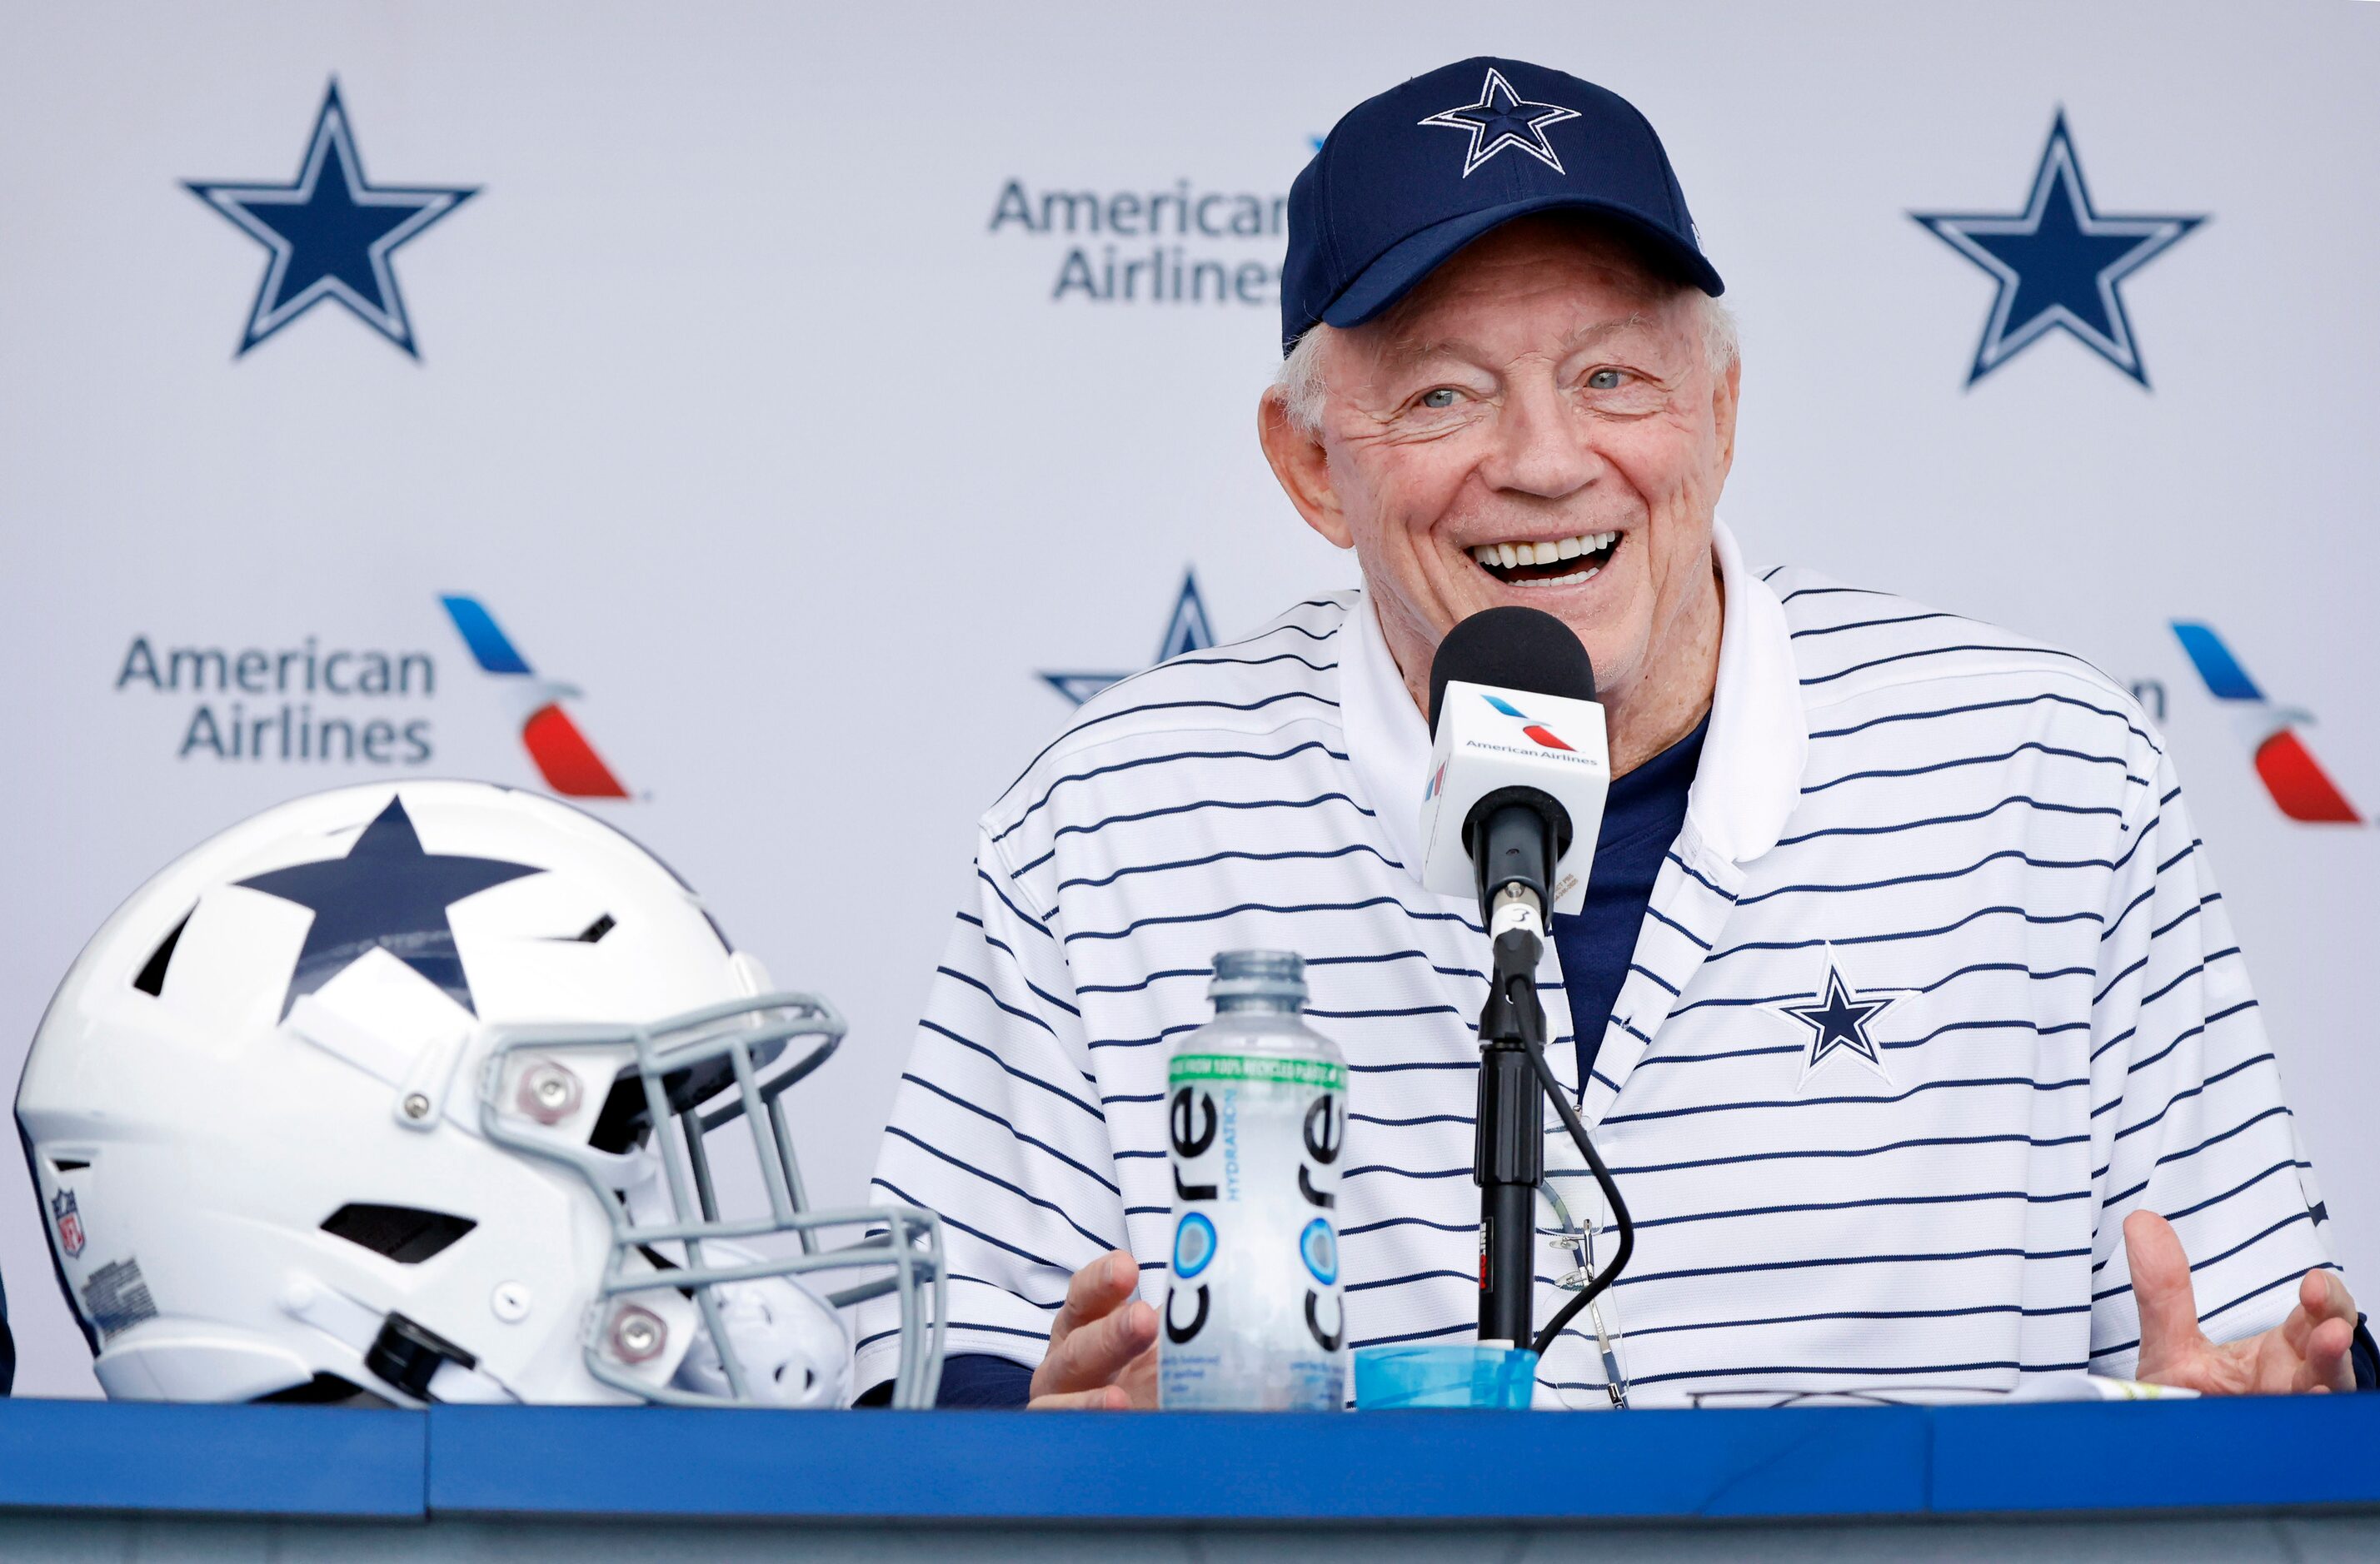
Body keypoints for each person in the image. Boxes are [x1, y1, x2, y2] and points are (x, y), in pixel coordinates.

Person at [855, 57, 2367, 1408]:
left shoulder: (2047, 778)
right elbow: (950, 1388)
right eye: (1443, 394)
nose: (1542, 460)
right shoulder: (1109, 826)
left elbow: (2246, 1338)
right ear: (1310, 465)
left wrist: (2284, 1421)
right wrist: (1035, 1455)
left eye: (1609, 377)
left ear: (1717, 408)